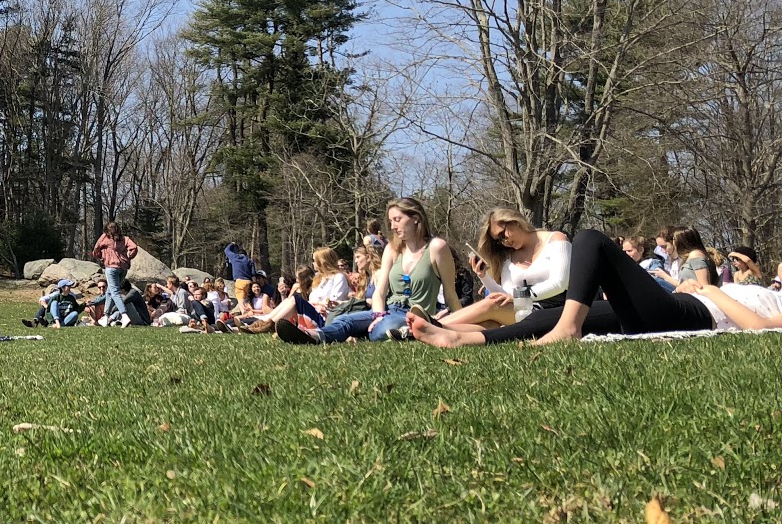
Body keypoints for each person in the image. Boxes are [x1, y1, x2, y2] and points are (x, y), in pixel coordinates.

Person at [410, 229, 719, 348]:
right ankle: (458, 337)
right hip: (652, 315)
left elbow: (766, 325)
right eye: (498, 238)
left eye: (506, 231)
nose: (504, 239)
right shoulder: (509, 259)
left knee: (589, 239)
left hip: (693, 312)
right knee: (537, 322)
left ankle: (569, 328)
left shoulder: (552, 239)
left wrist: (711, 291)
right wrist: (485, 279)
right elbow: (504, 289)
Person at [278, 197, 460, 344]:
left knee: (384, 328)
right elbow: (380, 292)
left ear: (415, 218)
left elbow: (451, 295)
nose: (393, 226)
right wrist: (378, 315)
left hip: (417, 313)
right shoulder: (392, 250)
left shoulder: (436, 248)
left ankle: (398, 333)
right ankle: (313, 336)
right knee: (346, 320)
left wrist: (462, 323)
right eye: (391, 221)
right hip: (388, 310)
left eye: (397, 219)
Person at [431, 208, 570, 332]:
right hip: (523, 311)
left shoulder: (556, 238)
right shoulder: (508, 256)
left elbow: (560, 283)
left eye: (503, 235)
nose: (504, 242)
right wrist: (483, 276)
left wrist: (519, 296)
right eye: (499, 240)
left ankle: (431, 326)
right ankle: (436, 331)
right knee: (490, 324)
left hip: (557, 311)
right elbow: (505, 295)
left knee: (491, 303)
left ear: (515, 221)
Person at [90, 222, 139, 328]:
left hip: (111, 267)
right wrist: (129, 256)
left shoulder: (105, 237)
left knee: (115, 292)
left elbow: (96, 248)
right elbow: (134, 247)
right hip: (123, 268)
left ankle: (124, 315)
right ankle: (106, 316)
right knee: (109, 292)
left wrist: (99, 256)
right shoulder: (125, 239)